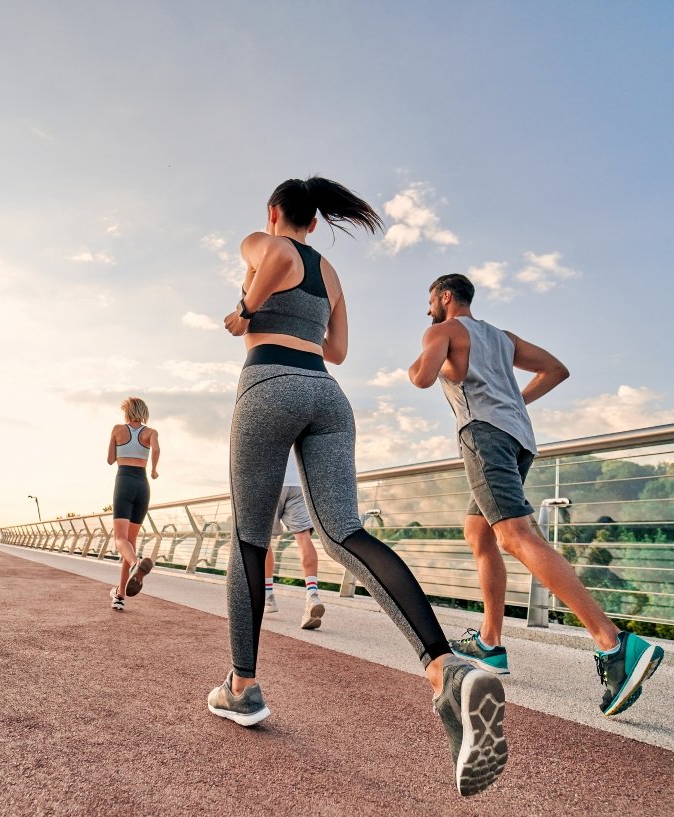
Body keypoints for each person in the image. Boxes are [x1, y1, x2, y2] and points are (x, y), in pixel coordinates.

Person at [207, 177, 507, 797]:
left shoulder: (264, 242)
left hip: (269, 384)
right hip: (327, 395)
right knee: (345, 532)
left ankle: (242, 687)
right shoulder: (333, 274)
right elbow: (337, 350)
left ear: (275, 213)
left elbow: (250, 307)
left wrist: (240, 313)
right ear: (316, 222)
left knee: (249, 540)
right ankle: (445, 668)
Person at [406, 273, 664, 717]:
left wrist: (428, 355)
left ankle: (614, 642)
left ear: (445, 297)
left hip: (483, 436)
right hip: (518, 438)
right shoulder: (502, 338)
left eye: (430, 300)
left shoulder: (443, 330)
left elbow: (421, 378)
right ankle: (490, 642)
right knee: (480, 534)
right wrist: (515, 401)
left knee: (515, 536)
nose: (427, 308)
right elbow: (556, 370)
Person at [105, 397, 159, 611]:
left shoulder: (118, 430)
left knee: (120, 539)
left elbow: (110, 459)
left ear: (127, 412)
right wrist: (154, 469)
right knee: (130, 543)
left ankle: (137, 564)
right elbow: (155, 450)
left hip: (125, 481)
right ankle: (119, 594)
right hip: (143, 485)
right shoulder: (151, 432)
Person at [263, 450, 325, 630]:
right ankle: (312, 594)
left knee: (263, 540)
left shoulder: (263, 423)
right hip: (298, 484)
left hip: (271, 482)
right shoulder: (299, 421)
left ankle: (268, 597)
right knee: (303, 537)